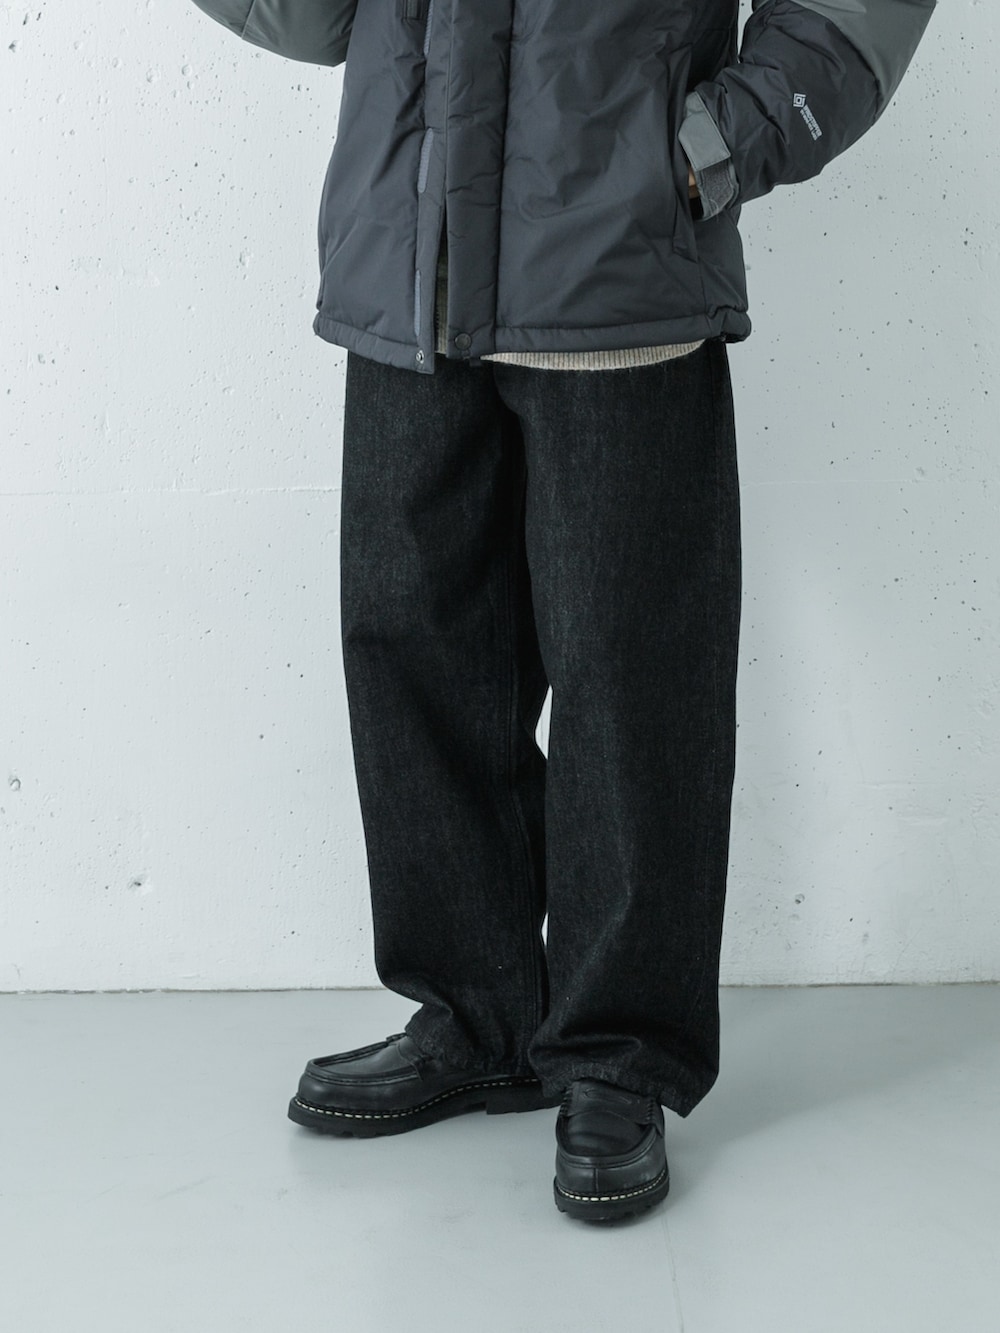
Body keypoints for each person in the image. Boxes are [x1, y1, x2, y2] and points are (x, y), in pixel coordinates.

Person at [191, 0, 938, 1223]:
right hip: (409, 256)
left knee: (633, 682)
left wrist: (724, 135)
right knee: (413, 650)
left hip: (616, 258)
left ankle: (618, 1058)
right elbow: (318, 19)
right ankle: (476, 1016)